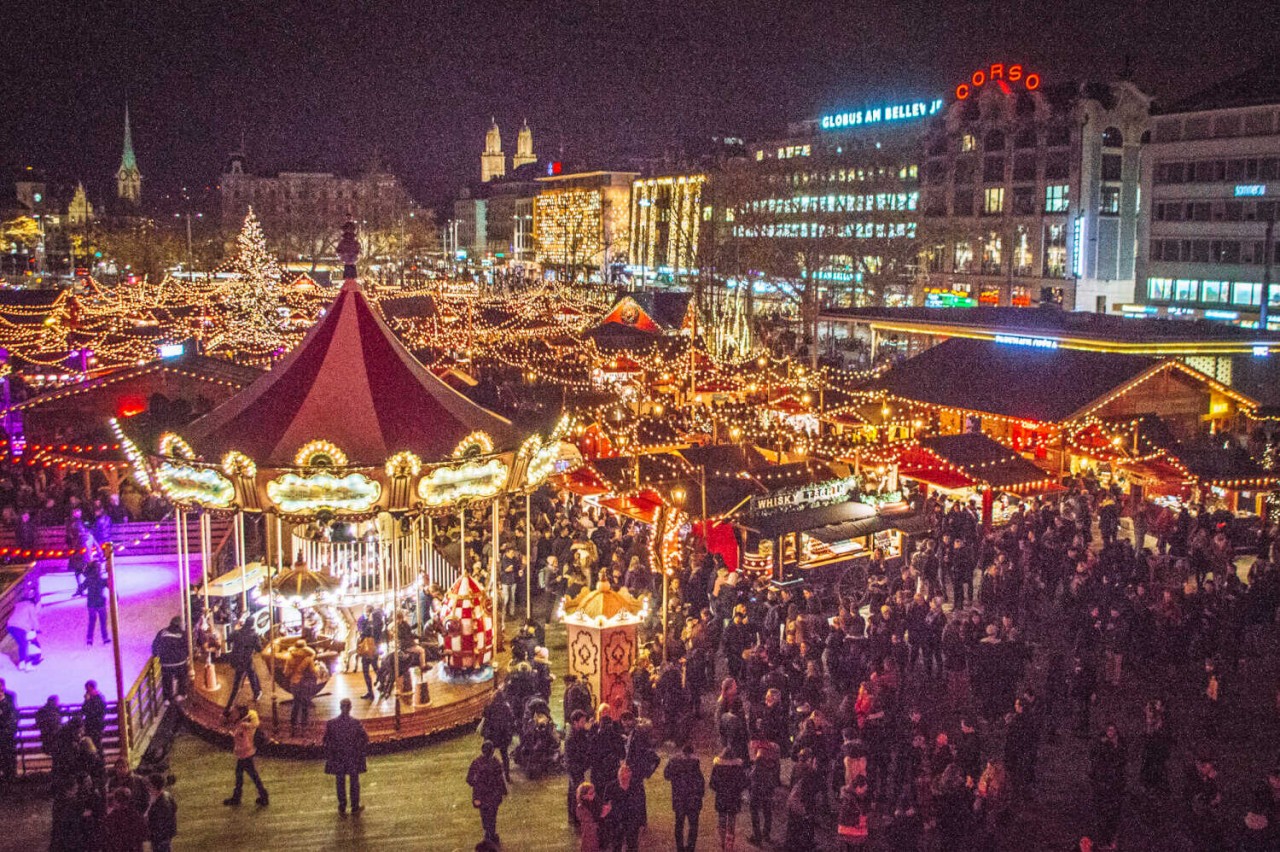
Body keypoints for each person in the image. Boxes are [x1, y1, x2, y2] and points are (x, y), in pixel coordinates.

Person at [323, 698, 370, 815]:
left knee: (340, 781)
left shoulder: (331, 724)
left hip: (338, 757)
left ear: (340, 707)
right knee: (354, 782)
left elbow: (326, 741)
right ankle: (355, 807)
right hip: (352, 756)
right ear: (350, 708)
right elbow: (365, 738)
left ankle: (342, 806)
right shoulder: (356, 723)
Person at [224, 705, 268, 807]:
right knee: (247, 774)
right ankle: (262, 795)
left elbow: (242, 740)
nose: (234, 714)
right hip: (247, 752)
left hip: (245, 753)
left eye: (235, 712)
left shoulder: (243, 725)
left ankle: (238, 797)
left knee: (247, 775)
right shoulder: (250, 718)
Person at [664, 742, 705, 852]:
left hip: (679, 797)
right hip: (693, 798)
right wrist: (700, 795)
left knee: (679, 824)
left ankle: (680, 848)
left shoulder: (673, 761)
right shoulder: (695, 762)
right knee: (693, 825)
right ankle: (690, 848)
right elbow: (700, 781)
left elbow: (666, 775)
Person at [467, 740, 508, 846]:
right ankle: (491, 833)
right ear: (493, 751)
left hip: (481, 796)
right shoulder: (496, 762)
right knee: (493, 815)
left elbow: (469, 780)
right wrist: (503, 791)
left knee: (484, 815)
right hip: (493, 796)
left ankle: (488, 833)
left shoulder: (476, 762)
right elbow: (500, 779)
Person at [710, 745, 748, 851]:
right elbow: (744, 783)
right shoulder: (738, 767)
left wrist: (719, 789)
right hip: (734, 797)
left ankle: (723, 842)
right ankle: (730, 844)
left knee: (722, 819)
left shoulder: (717, 766)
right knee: (731, 820)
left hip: (721, 796)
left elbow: (712, 784)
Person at [223, 616, 262, 715]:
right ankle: (229, 708)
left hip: (237, 660)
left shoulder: (237, 632)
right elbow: (259, 649)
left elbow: (228, 640)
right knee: (245, 680)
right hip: (246, 660)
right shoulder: (254, 635)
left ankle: (257, 692)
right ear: (252, 624)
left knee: (249, 675)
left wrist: (236, 629)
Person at [151, 617, 189, 702]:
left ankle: (167, 698)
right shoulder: (182, 633)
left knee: (166, 679)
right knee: (182, 676)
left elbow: (155, 644)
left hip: (166, 662)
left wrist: (155, 654)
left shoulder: (162, 632)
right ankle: (181, 693)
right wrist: (186, 656)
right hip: (179, 661)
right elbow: (186, 646)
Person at [102, 786, 149, 852]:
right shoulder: (136, 815)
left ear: (115, 800)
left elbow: (107, 839)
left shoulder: (111, 817)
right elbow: (144, 834)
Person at [8, 591, 40, 671]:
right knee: (24, 644)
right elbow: (33, 619)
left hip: (10, 626)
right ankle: (28, 664)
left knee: (22, 644)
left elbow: (22, 617)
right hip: (19, 627)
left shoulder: (19, 605)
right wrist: (37, 629)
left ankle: (22, 663)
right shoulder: (30, 606)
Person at [146, 773, 178, 852]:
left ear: (154, 786)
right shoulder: (166, 795)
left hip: (161, 837)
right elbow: (175, 807)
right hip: (164, 836)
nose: (147, 788)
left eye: (149, 785)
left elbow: (160, 824)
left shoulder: (161, 804)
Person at [576, 781, 610, 852]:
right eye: (591, 793)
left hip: (599, 832)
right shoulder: (581, 807)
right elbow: (589, 820)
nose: (593, 795)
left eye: (594, 792)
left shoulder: (595, 801)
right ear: (584, 796)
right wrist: (602, 815)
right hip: (590, 835)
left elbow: (602, 808)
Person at [83, 562, 110, 646]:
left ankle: (89, 639)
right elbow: (110, 585)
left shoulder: (89, 579)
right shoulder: (101, 579)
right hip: (100, 603)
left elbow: (82, 587)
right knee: (102, 622)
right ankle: (105, 638)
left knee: (92, 621)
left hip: (91, 603)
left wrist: (78, 591)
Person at [0, 678, 17, 783]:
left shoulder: (10, 696)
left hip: (7, 730)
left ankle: (10, 774)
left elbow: (12, 712)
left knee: (8, 752)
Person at [82, 680, 107, 751]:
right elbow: (84, 710)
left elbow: (89, 711)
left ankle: (99, 759)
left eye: (87, 689)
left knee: (96, 743)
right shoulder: (99, 697)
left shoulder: (98, 698)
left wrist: (87, 701)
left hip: (96, 724)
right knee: (93, 743)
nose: (86, 691)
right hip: (93, 724)